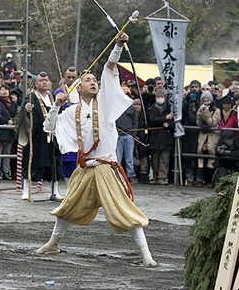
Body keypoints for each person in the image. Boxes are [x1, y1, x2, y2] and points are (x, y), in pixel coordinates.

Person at [35, 33, 157, 267]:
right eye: (88, 80)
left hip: (106, 168)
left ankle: (146, 254)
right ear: (78, 89)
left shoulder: (106, 103)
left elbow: (109, 69)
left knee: (125, 211)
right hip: (85, 168)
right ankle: (53, 244)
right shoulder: (71, 112)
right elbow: (49, 127)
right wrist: (56, 106)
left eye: (95, 80)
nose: (94, 82)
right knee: (67, 206)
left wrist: (118, 47)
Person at [17, 72, 64, 200]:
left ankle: (55, 191)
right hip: (36, 136)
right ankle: (26, 191)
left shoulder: (54, 98)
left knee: (54, 163)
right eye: (41, 80)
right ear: (36, 83)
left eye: (46, 80)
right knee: (31, 162)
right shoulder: (31, 97)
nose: (44, 82)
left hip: (52, 136)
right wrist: (27, 109)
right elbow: (23, 113)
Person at [147, 89, 174, 185]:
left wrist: (169, 123)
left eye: (161, 96)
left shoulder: (170, 108)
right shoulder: (151, 109)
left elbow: (174, 121)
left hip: (166, 137)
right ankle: (154, 177)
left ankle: (162, 177)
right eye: (158, 96)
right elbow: (153, 120)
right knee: (155, 159)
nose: (160, 98)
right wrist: (165, 118)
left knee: (164, 159)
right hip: (155, 137)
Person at [196, 91, 220, 188]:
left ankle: (210, 180)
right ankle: (201, 180)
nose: (206, 102)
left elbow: (212, 123)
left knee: (211, 157)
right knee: (201, 157)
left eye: (208, 100)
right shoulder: (200, 109)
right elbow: (198, 123)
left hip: (212, 136)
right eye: (204, 100)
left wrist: (205, 113)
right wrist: (200, 112)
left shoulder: (216, 110)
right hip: (203, 136)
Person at [181, 80, 203, 186]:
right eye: (192, 87)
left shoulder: (202, 99)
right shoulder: (187, 101)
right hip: (188, 132)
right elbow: (183, 113)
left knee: (198, 156)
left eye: (196, 87)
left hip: (199, 132)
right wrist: (187, 101)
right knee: (188, 156)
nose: (194, 89)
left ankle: (199, 178)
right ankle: (189, 178)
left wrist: (197, 102)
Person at [0, 83, 17, 180]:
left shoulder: (12, 103)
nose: (4, 91)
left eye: (6, 90)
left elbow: (14, 113)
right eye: (2, 90)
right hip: (0, 130)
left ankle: (6, 171)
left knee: (7, 153)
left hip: (10, 131)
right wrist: (6, 121)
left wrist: (15, 103)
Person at [115, 90, 138, 183]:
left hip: (129, 135)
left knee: (129, 158)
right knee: (118, 157)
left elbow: (135, 122)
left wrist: (133, 134)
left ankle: (131, 175)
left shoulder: (132, 108)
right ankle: (118, 174)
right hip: (118, 135)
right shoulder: (115, 107)